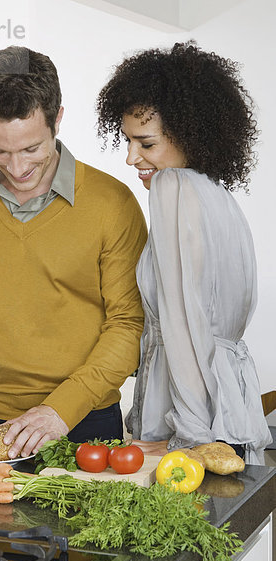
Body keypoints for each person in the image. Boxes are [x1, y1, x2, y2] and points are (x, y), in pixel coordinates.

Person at [0, 45, 147, 459]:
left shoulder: (112, 203)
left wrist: (61, 410)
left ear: (57, 118)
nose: (17, 167)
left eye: (31, 149)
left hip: (85, 422)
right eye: (0, 150)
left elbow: (129, 323)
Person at [96, 41, 272, 464]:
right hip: (229, 408)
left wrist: (189, 437)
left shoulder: (172, 189)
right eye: (128, 141)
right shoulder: (219, 197)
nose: (130, 157)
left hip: (188, 415)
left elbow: (183, 323)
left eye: (146, 144)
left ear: (188, 135)